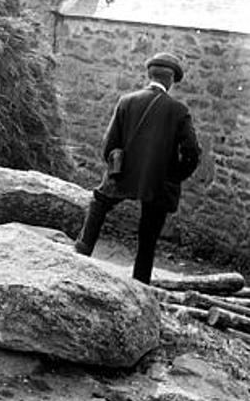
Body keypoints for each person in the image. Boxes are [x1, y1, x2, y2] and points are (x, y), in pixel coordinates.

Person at [73, 52, 201, 283]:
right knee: (148, 236)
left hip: (123, 175)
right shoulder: (179, 111)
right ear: (170, 80)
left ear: (149, 75)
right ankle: (140, 283)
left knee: (99, 203)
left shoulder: (127, 100)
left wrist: (118, 168)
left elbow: (109, 146)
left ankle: (81, 253)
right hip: (158, 182)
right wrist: (174, 176)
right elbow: (192, 153)